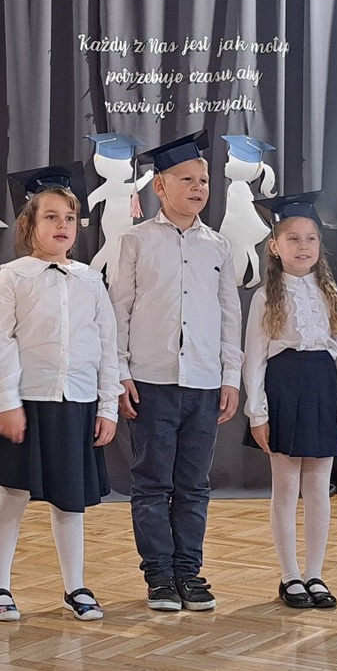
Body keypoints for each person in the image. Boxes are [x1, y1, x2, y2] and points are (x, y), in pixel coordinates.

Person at [109, 131, 241, 614]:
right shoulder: (136, 240)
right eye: (186, 179)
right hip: (151, 381)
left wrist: (231, 375)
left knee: (194, 484)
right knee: (151, 482)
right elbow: (119, 309)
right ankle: (159, 576)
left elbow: (229, 314)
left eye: (203, 180)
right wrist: (120, 371)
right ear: (160, 187)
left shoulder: (218, 246)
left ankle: (189, 570)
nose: (198, 187)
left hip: (204, 382)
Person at [0, 167, 120, 622]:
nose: (62, 225)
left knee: (69, 497)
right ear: (30, 224)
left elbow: (107, 346)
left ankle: (75, 585)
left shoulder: (90, 280)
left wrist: (107, 406)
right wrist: (7, 402)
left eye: (70, 218)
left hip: (77, 401)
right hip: (29, 400)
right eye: (51, 217)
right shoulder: (13, 277)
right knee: (13, 491)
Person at [240, 194, 337, 609]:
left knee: (318, 487)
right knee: (286, 486)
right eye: (293, 238)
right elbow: (255, 359)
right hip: (284, 388)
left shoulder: (332, 296)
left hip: (322, 388)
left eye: (311, 238)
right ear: (275, 246)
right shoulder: (265, 297)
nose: (303, 246)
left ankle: (315, 573)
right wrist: (257, 412)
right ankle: (290, 575)